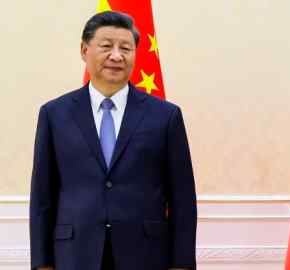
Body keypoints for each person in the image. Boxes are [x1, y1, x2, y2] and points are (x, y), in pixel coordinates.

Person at [29, 11, 196, 270]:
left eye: (126, 48)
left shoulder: (165, 116)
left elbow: (182, 198)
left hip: (146, 255)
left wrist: (182, 264)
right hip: (74, 255)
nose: (116, 56)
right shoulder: (54, 114)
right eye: (106, 46)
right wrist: (42, 264)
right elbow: (42, 196)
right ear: (84, 50)